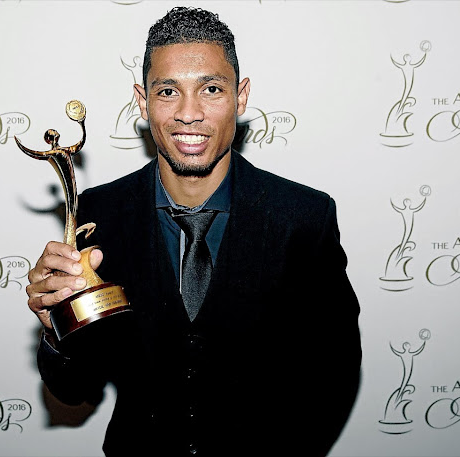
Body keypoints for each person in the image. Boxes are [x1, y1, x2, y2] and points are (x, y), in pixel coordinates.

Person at [26, 7, 361, 457]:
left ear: (240, 97)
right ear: (142, 102)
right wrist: (56, 330)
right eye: (168, 91)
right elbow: (74, 388)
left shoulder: (303, 218)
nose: (189, 114)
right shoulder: (98, 214)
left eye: (211, 89)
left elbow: (333, 375)